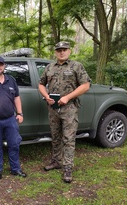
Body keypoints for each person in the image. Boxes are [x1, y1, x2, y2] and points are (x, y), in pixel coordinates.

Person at [38, 41, 91, 183]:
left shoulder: (76, 66)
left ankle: (67, 167)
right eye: (59, 50)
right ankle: (56, 161)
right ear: (55, 52)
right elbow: (41, 84)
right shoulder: (49, 67)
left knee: (68, 138)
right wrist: (46, 96)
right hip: (53, 108)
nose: (62, 52)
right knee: (55, 136)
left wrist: (67, 97)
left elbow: (86, 85)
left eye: (64, 49)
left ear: (69, 51)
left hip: (69, 109)